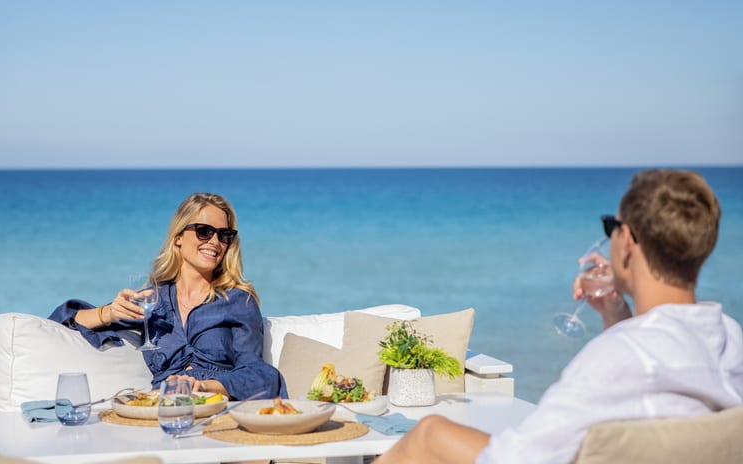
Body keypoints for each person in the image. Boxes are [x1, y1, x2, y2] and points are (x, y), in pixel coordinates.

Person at [373, 169, 743, 464]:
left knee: (429, 434)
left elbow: (515, 458)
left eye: (610, 227)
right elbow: (652, 368)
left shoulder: (618, 356)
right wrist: (616, 310)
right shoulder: (728, 337)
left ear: (627, 241)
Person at [49, 192, 287, 400]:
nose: (215, 242)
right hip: (164, 409)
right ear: (178, 238)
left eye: (224, 235)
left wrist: (203, 387)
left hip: (218, 405)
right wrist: (108, 313)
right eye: (204, 231)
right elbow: (59, 321)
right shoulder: (153, 300)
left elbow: (257, 374)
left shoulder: (237, 300)